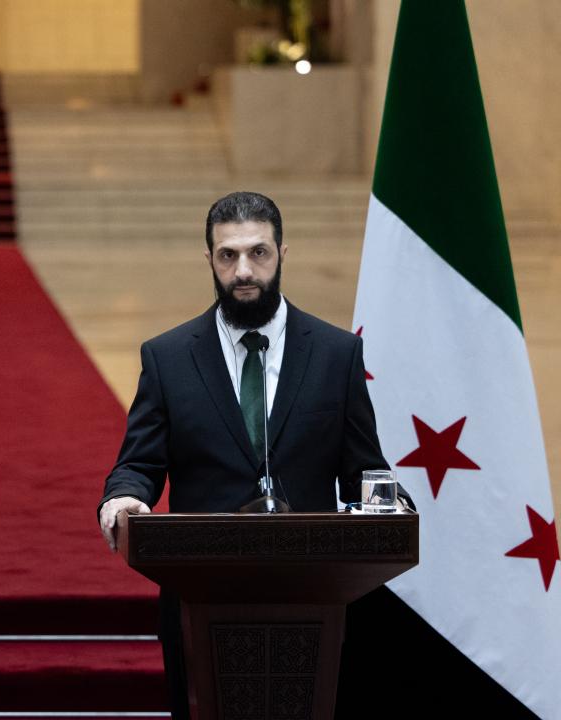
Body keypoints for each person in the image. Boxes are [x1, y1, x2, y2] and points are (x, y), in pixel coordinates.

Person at [95, 191, 406, 719]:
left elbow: (363, 472)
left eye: (258, 252)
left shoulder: (336, 354)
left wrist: (392, 505)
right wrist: (123, 498)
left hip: (313, 595)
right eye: (228, 255)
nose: (243, 270)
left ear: (282, 253)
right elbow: (139, 464)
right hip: (199, 596)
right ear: (209, 259)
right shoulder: (168, 357)